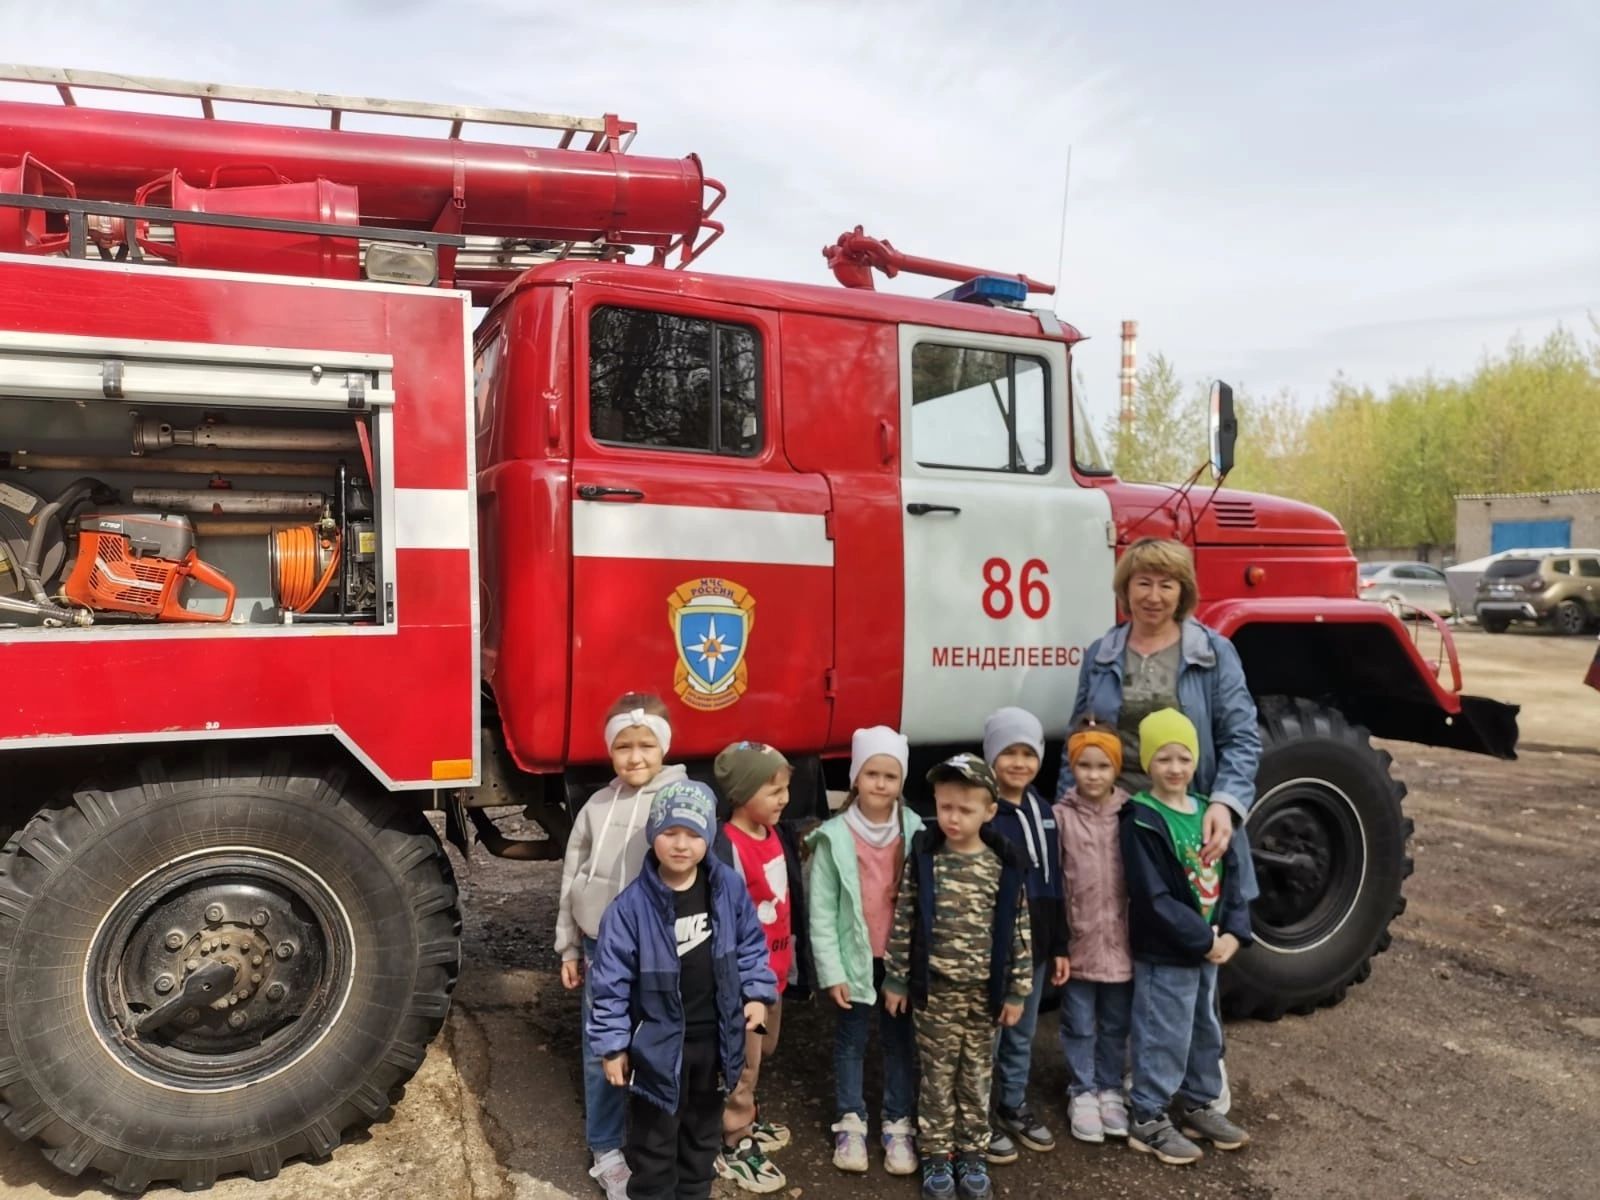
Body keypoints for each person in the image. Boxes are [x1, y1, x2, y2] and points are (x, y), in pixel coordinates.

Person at [587, 779, 779, 1200]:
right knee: (654, 1141)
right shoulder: (629, 908)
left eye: (693, 834)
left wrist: (757, 993)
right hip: (658, 1050)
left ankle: (694, 1192)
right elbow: (609, 984)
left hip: (714, 1044)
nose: (680, 844)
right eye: (670, 832)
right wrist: (613, 1045)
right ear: (653, 835)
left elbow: (751, 943)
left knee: (701, 1135)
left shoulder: (726, 888)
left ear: (708, 837)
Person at [1055, 537, 1261, 891]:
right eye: (1143, 583)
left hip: (1186, 818)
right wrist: (1067, 812)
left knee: (1186, 927)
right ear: (1125, 588)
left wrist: (1225, 805)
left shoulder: (1214, 653)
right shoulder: (1100, 655)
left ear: (1182, 593)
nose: (1154, 596)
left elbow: (1241, 739)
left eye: (1166, 585)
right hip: (1114, 816)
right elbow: (1078, 742)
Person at [555, 694, 688, 1199]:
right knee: (602, 1048)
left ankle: (660, 1141)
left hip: (660, 952)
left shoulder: (681, 798)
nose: (635, 757)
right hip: (600, 948)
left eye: (646, 745)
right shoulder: (597, 806)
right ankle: (607, 1149)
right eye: (624, 747)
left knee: (659, 1046)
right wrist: (569, 946)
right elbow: (573, 875)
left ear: (664, 747)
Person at [885, 754, 1032, 1200]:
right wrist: (895, 977)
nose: (953, 817)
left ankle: (973, 1154)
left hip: (983, 995)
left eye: (965, 809)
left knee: (976, 1075)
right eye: (945, 806)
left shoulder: (1004, 864)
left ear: (990, 811)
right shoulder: (926, 857)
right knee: (937, 1076)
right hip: (937, 993)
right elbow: (905, 917)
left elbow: (1020, 929)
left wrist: (1018, 989)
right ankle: (936, 1157)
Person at [1119, 709, 1254, 1166]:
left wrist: (1236, 930)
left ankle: (1199, 1104)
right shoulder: (1141, 817)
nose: (1174, 768)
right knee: (1163, 1030)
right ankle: (1148, 1115)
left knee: (1204, 1029)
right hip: (1168, 951)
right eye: (1163, 758)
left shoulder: (1205, 810)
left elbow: (1231, 875)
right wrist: (1201, 938)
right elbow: (1151, 894)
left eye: (1183, 757)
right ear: (1147, 763)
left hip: (1208, 949)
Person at [805, 726, 923, 1177]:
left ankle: (897, 1123)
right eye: (871, 773)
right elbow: (821, 912)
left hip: (897, 962)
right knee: (851, 1041)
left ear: (901, 783)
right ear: (855, 777)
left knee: (898, 1042)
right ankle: (851, 1120)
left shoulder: (913, 831)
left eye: (890, 776)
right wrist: (831, 971)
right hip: (854, 962)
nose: (880, 783)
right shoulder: (835, 836)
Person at [710, 742, 805, 1194]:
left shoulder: (774, 834)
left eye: (785, 788)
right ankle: (733, 1139)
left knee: (763, 1053)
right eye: (773, 791)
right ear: (742, 793)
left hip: (776, 969)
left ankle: (745, 1109)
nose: (784, 798)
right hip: (748, 982)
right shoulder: (727, 849)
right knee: (743, 1062)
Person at [980, 707, 1070, 1163]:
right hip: (996, 949)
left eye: (1028, 753)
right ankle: (977, 1114)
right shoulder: (986, 813)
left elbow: (1055, 882)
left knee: (1023, 1031)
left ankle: (1012, 1103)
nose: (1019, 763)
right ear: (992, 758)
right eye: (1008, 753)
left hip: (1035, 946)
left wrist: (1058, 945)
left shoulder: (1045, 810)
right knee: (989, 1031)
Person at [1053, 715, 1134, 1144]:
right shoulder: (1061, 818)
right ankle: (1081, 1089)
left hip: (1121, 939)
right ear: (1073, 767)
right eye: (1085, 765)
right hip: (1080, 937)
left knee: (1116, 1020)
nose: (1094, 774)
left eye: (1103, 766)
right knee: (1080, 1019)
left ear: (1115, 769)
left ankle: (1109, 1087)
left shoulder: (1130, 815)